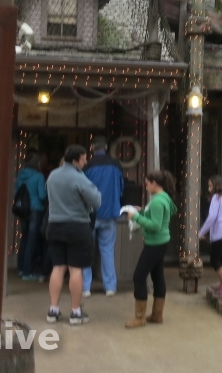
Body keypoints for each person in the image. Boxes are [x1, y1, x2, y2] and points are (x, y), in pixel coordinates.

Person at [45, 144, 101, 325]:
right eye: (84, 159)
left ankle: (53, 310)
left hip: (54, 225)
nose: (86, 162)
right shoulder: (79, 178)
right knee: (76, 268)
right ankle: (75, 312)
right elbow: (96, 201)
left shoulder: (53, 175)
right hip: (77, 226)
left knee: (58, 267)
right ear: (76, 161)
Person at [125, 169, 177, 328]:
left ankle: (140, 318)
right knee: (157, 276)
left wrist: (136, 217)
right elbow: (159, 219)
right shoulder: (164, 198)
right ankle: (157, 315)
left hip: (154, 243)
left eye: (147, 184)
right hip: (160, 242)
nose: (145, 186)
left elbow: (155, 226)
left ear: (154, 184)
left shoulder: (157, 201)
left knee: (139, 276)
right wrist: (142, 212)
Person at [82, 137, 124, 297]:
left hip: (90, 214)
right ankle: (110, 287)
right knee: (107, 251)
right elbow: (121, 188)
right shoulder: (116, 165)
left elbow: (83, 189)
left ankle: (86, 287)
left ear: (92, 148)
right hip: (110, 212)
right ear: (106, 147)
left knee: (86, 251)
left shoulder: (87, 166)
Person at [14, 150, 48, 281]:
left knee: (24, 238)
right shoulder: (39, 176)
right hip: (36, 209)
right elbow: (42, 195)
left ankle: (21, 269)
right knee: (32, 240)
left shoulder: (20, 175)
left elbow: (17, 191)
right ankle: (28, 272)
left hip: (23, 210)